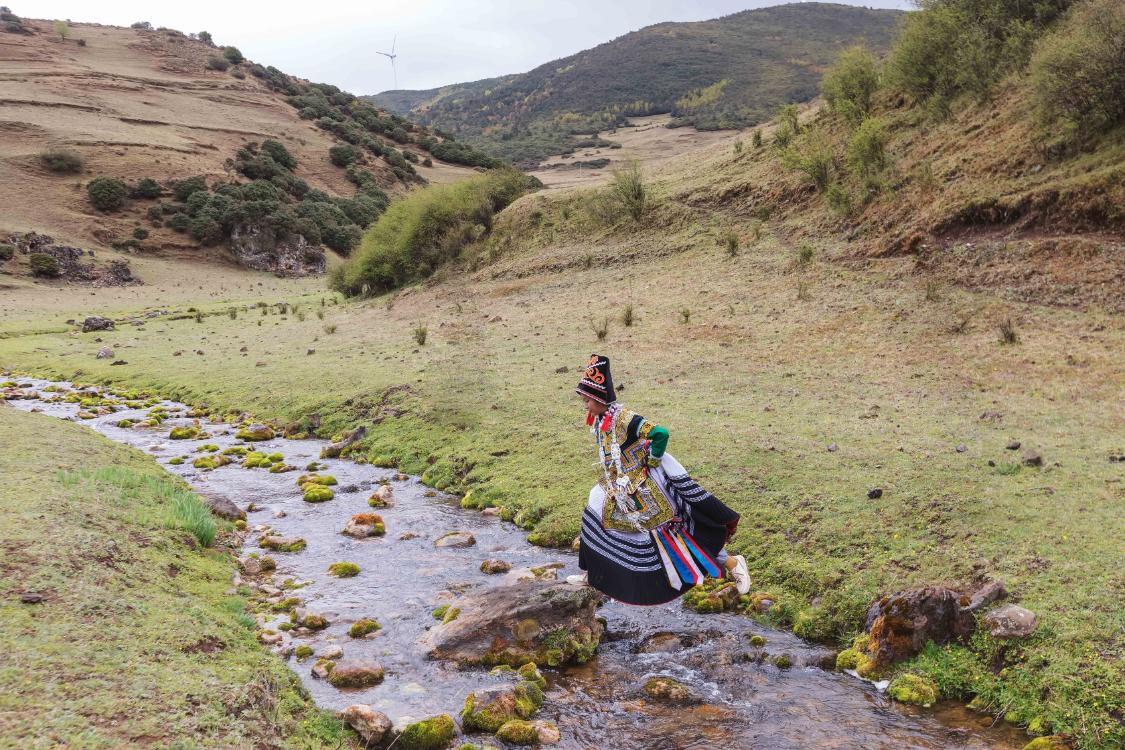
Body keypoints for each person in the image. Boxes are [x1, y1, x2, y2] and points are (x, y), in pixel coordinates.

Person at [567, 354, 751, 606]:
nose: (585, 405)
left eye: (587, 400)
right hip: (622, 483)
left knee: (673, 532)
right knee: (594, 507)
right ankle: (591, 574)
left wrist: (652, 460)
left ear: (599, 399)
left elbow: (661, 433)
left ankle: (732, 563)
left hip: (646, 484)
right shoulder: (602, 418)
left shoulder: (626, 418)